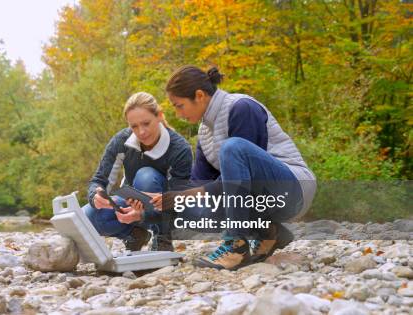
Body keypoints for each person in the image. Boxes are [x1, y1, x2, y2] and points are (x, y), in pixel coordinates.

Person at [146, 66, 316, 270]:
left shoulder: (241, 107)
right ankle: (269, 232)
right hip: (262, 199)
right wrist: (156, 201)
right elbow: (202, 185)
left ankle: (236, 246)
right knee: (191, 208)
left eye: (179, 106)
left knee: (232, 147)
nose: (178, 113)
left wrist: (185, 195)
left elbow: (248, 179)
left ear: (199, 96)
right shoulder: (205, 131)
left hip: (293, 189)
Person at [84, 92, 193, 251]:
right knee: (88, 216)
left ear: (159, 116)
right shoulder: (122, 140)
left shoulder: (180, 149)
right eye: (134, 126)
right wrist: (95, 195)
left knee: (146, 176)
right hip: (130, 203)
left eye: (146, 123)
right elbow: (99, 180)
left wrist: (143, 215)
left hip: (165, 210)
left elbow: (181, 203)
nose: (141, 132)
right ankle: (134, 234)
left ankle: (162, 238)